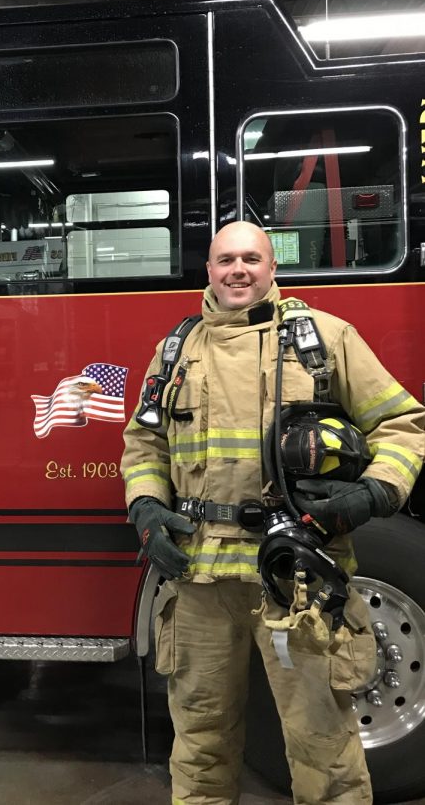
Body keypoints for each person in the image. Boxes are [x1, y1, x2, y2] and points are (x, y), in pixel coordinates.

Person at [120, 221, 425, 805]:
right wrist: (147, 508)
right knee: (199, 744)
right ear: (208, 271)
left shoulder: (324, 338)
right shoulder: (177, 350)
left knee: (324, 746)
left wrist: (375, 494)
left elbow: (403, 424)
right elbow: (144, 443)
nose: (239, 270)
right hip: (200, 579)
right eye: (226, 259)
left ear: (272, 268)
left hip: (298, 578)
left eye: (251, 259)